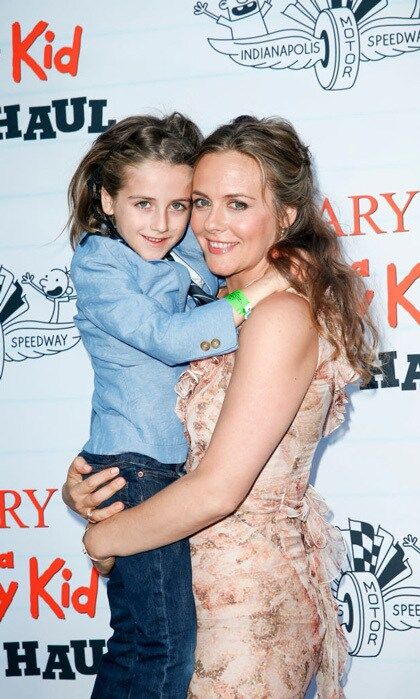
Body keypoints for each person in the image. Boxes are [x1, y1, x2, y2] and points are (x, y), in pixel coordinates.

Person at [65, 115, 377, 698]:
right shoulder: (217, 300)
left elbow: (218, 489)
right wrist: (92, 481)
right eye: (201, 202)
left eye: (237, 204)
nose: (206, 224)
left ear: (286, 215)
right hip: (187, 573)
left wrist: (103, 539)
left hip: (240, 607)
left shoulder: (276, 312)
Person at [64, 112, 284, 699]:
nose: (164, 223)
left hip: (166, 472)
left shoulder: (182, 244)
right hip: (137, 467)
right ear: (107, 199)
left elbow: (240, 218)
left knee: (157, 642)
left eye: (180, 205)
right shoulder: (100, 261)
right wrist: (255, 297)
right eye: (142, 204)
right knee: (156, 646)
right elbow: (166, 338)